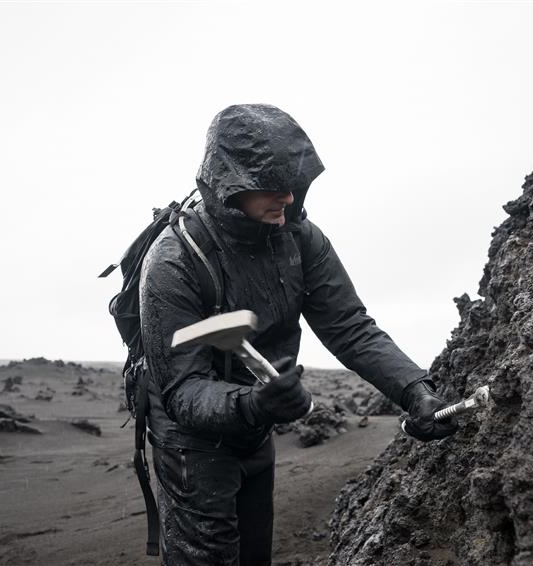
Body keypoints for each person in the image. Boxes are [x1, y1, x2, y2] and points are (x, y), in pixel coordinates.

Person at [139, 104, 456, 566]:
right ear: (230, 186)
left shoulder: (300, 239)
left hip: (256, 425)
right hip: (191, 443)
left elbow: (349, 327)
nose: (287, 198)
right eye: (271, 186)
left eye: (293, 184)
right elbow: (182, 389)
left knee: (254, 557)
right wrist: (253, 404)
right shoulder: (173, 262)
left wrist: (415, 391)